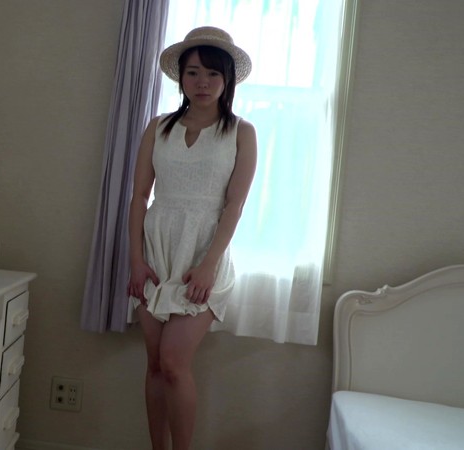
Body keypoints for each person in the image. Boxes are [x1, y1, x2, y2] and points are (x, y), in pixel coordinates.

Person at [127, 26, 257, 450]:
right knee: (154, 365)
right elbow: (139, 197)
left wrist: (207, 266)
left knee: (173, 363)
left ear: (227, 79)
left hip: (204, 256)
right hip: (156, 252)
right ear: (180, 77)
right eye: (193, 73)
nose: (202, 82)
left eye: (213, 74)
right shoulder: (158, 127)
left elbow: (234, 205)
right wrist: (135, 260)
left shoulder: (241, 132)